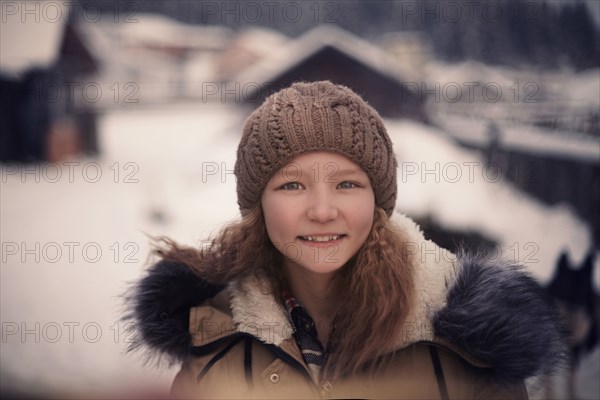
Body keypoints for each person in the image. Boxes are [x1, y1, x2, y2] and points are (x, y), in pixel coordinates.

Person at [126, 81, 564, 399]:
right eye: (292, 186)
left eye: (347, 185)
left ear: (379, 201)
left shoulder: (467, 339)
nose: (321, 210)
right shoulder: (211, 339)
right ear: (258, 206)